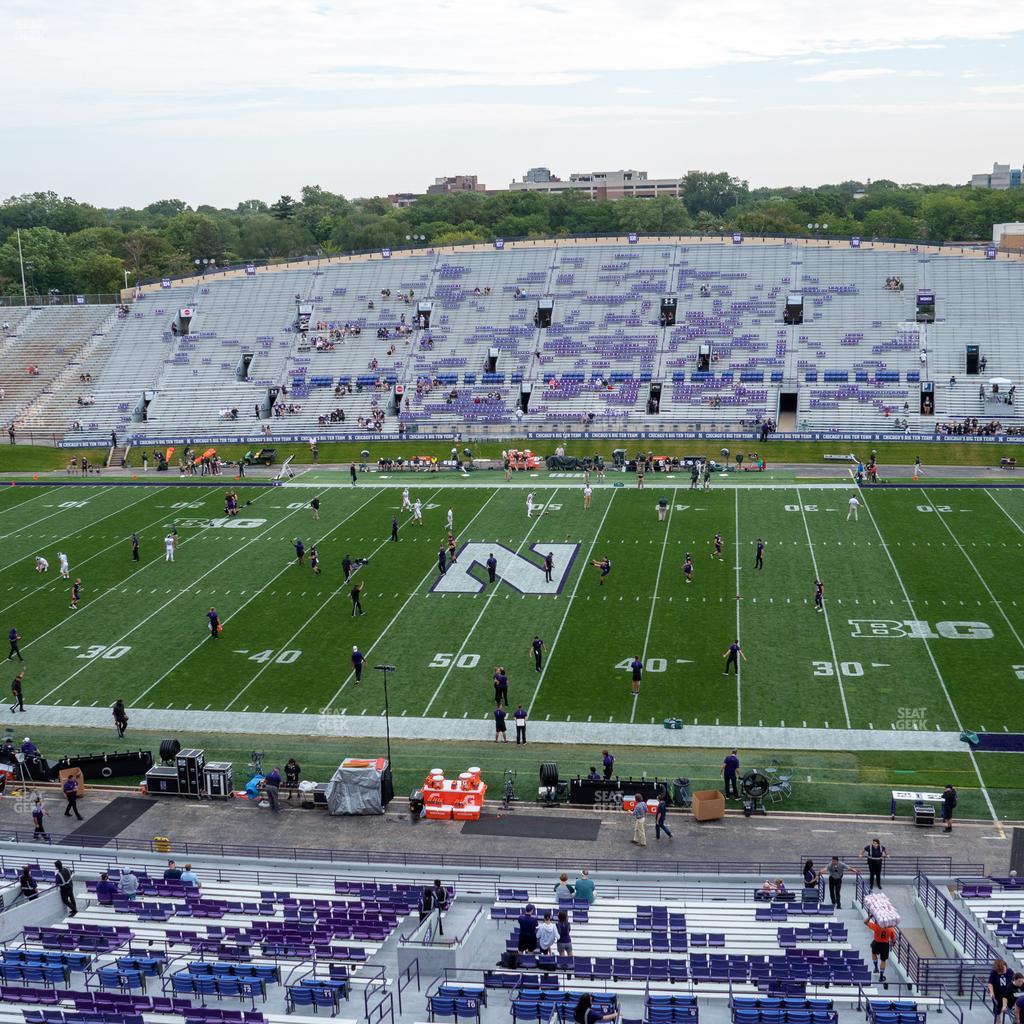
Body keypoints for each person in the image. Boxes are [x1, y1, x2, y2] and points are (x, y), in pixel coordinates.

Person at [866, 913, 895, 987]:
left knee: (873, 953)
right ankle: (881, 976)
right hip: (885, 945)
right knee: (883, 960)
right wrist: (893, 944)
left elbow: (865, 922)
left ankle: (876, 968)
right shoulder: (891, 929)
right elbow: (893, 940)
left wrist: (870, 916)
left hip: (876, 943)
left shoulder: (876, 927)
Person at [989, 958, 1015, 1023]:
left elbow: (1015, 980)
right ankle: (998, 1018)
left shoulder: (1010, 971)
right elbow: (990, 984)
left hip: (1008, 994)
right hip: (998, 994)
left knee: (1013, 1006)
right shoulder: (994, 973)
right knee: (998, 1008)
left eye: (1005, 968)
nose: (1004, 970)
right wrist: (991, 992)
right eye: (1003, 969)